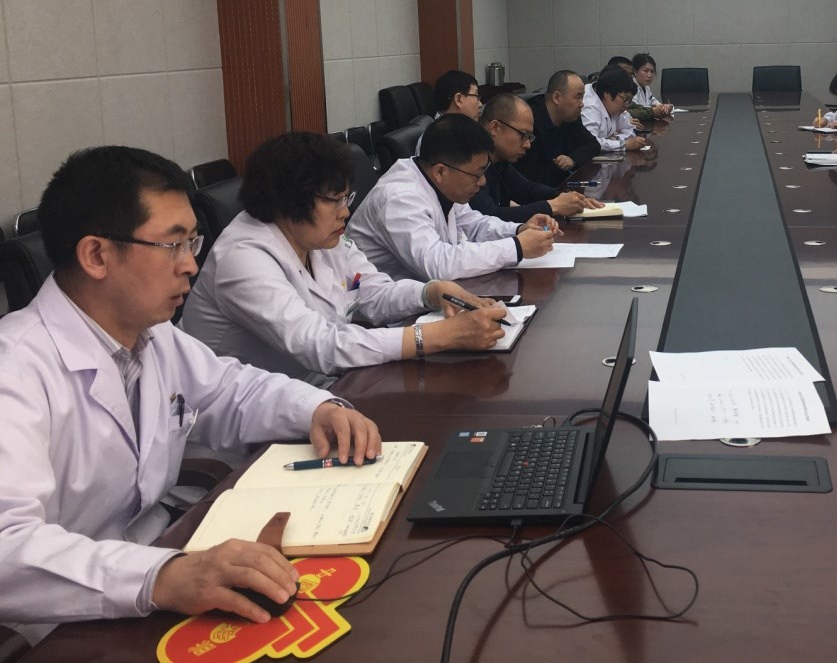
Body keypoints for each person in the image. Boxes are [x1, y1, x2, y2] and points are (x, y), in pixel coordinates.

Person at [0, 146, 381, 643]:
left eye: (192, 243)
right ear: (96, 255)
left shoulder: (153, 333)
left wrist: (318, 407)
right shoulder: (15, 369)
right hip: (67, 620)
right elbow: (8, 549)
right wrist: (162, 576)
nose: (191, 266)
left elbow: (230, 390)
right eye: (173, 246)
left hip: (168, 561)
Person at [181, 132, 507, 385]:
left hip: (324, 388)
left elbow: (370, 291)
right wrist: (438, 336)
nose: (345, 212)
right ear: (289, 200)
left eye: (345, 198)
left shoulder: (320, 238)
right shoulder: (243, 258)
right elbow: (319, 345)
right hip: (247, 424)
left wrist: (430, 292)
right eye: (334, 200)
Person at [348, 115, 560, 281]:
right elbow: (437, 265)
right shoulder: (400, 198)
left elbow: (474, 225)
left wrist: (518, 230)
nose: (482, 182)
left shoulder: (438, 182)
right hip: (380, 312)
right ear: (441, 172)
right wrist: (516, 247)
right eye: (476, 174)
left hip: (423, 297)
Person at [470, 94, 606, 223]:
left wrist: (565, 196)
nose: (528, 145)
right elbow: (489, 216)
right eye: (523, 135)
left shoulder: (500, 162)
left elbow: (526, 189)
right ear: (495, 128)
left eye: (529, 137)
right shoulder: (469, 161)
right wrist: (553, 206)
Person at [516, 70, 602, 186]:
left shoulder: (570, 119)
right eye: (578, 97)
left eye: (582, 98)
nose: (582, 104)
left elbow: (593, 145)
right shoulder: (530, 122)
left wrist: (573, 159)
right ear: (557, 97)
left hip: (560, 188)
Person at [582, 66, 647, 153]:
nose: (626, 105)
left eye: (629, 101)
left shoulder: (613, 105)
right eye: (625, 99)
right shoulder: (589, 107)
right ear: (607, 94)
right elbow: (591, 143)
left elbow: (631, 130)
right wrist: (623, 144)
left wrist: (615, 139)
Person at [631, 53, 674, 120]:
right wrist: (653, 110)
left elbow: (652, 100)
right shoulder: (630, 87)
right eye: (645, 71)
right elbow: (635, 109)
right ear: (635, 72)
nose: (649, 75)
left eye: (652, 71)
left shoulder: (646, 87)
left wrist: (663, 107)